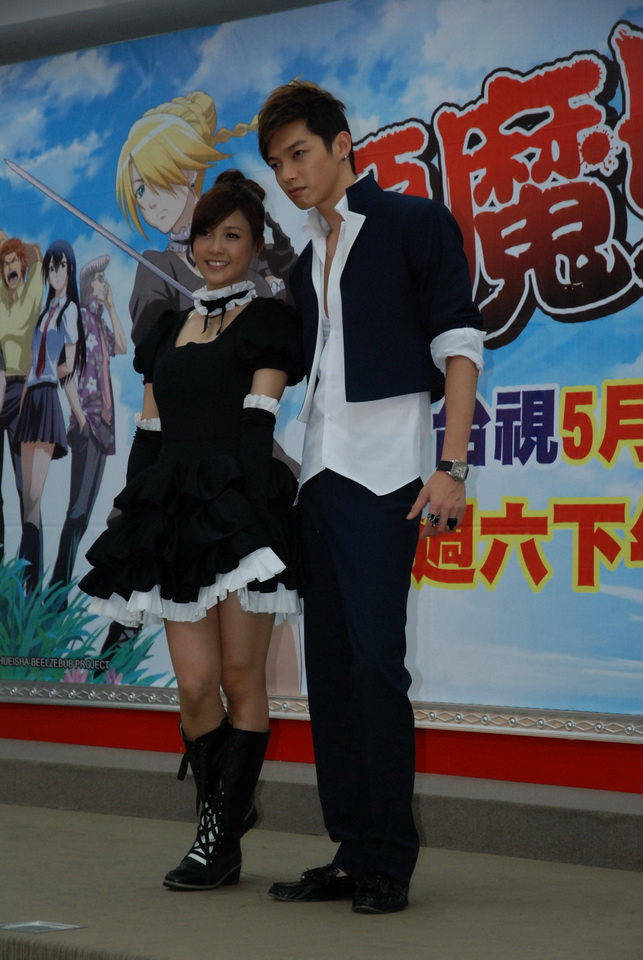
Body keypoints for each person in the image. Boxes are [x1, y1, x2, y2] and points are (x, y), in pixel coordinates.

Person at [257, 81, 485, 914]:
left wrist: (451, 465)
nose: (289, 173)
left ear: (342, 144)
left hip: (387, 478)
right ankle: (351, 850)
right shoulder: (301, 262)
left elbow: (459, 342)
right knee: (329, 675)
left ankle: (388, 858)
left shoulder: (411, 223)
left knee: (374, 665)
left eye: (299, 153)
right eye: (277, 163)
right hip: (316, 481)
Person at [79, 170, 304, 891]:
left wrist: (260, 527)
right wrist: (130, 521)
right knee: (196, 685)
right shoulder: (164, 330)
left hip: (237, 516)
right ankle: (224, 815)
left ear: (255, 246)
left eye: (232, 236)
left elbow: (256, 428)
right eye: (206, 233)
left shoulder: (269, 323)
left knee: (240, 677)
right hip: (174, 517)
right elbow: (148, 435)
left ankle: (216, 840)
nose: (215, 247)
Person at [50, 255, 127, 600]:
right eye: (99, 280)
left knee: (84, 513)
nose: (103, 284)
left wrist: (111, 307)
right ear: (87, 284)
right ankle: (57, 592)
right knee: (77, 511)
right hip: (89, 423)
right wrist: (80, 418)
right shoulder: (78, 317)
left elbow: (122, 346)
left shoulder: (98, 319)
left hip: (103, 425)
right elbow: (64, 371)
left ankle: (59, 590)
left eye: (104, 279)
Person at [14, 239, 86, 593]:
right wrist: (24, 396)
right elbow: (31, 361)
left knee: (35, 493)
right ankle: (24, 579)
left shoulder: (70, 310)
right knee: (27, 498)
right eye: (52, 267)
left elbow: (69, 364)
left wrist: (49, 376)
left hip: (47, 399)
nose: (57, 273)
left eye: (62, 267)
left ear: (70, 270)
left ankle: (27, 581)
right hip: (31, 400)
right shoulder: (45, 311)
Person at [0, 234, 43, 562]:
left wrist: (14, 247)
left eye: (14, 262)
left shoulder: (32, 293)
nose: (9, 268)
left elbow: (36, 252)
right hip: (0, 385)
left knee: (25, 489)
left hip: (23, 391)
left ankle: (32, 577)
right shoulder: (1, 297)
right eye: (4, 264)